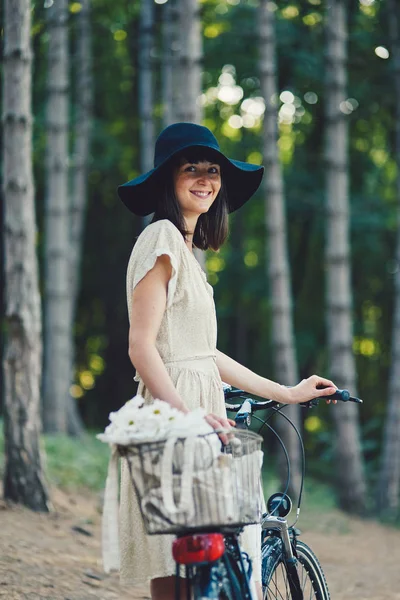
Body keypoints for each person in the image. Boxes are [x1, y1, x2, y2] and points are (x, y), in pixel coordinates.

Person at [117, 122, 336, 600]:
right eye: (190, 168)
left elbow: (205, 353)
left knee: (198, 570)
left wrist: (287, 391)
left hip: (198, 409)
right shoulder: (160, 238)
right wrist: (188, 416)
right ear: (167, 181)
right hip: (175, 414)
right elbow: (142, 346)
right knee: (180, 567)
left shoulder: (188, 254)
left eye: (212, 170)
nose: (205, 178)